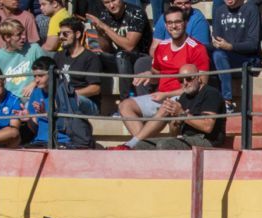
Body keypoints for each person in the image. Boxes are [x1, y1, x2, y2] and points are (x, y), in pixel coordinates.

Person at [116, 6, 208, 147]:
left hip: (183, 98)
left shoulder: (197, 48)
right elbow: (156, 73)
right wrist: (148, 75)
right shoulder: (162, 47)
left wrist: (166, 94)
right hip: (161, 96)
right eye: (170, 23)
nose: (174, 26)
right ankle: (146, 146)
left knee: (167, 105)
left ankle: (131, 145)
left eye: (177, 22)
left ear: (185, 23)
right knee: (125, 105)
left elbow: (201, 85)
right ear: (165, 25)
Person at [126, 63, 225, 149]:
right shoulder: (183, 97)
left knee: (164, 145)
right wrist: (175, 121)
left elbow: (207, 126)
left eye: (189, 78)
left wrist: (182, 114)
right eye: (181, 80)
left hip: (207, 140)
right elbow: (175, 133)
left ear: (198, 78)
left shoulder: (211, 93)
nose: (185, 83)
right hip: (186, 138)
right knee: (142, 145)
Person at [81, 0, 146, 100]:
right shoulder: (105, 15)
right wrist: (98, 32)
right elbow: (106, 48)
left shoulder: (136, 12)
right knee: (92, 55)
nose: (111, 5)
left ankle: (126, 100)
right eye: (107, 2)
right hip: (119, 60)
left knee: (122, 55)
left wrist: (105, 27)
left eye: (113, 0)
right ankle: (89, 98)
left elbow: (130, 46)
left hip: (140, 58)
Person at [209, 0, 259, 105]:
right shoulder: (219, 11)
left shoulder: (251, 9)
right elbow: (218, 40)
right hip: (225, 58)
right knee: (204, 51)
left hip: (246, 59)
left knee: (218, 55)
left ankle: (227, 100)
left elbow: (253, 44)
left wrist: (231, 47)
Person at [57, 17, 108, 115]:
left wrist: (71, 94)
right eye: (59, 34)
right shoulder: (59, 56)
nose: (61, 37)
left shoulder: (90, 58)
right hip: (64, 99)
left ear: (77, 34)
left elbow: (95, 89)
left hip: (88, 103)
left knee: (73, 100)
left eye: (65, 33)